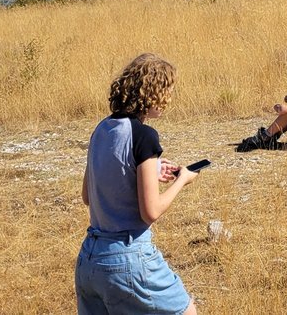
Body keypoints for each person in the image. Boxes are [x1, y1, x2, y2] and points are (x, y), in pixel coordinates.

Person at [76, 53, 200, 315]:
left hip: (89, 259)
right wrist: (183, 180)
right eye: (167, 91)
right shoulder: (144, 136)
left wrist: (151, 169)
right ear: (152, 92)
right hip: (128, 257)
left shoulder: (101, 129)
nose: (168, 100)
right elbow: (151, 211)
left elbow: (88, 194)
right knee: (186, 311)